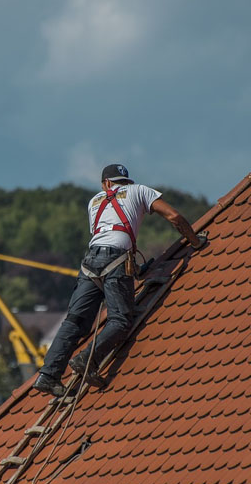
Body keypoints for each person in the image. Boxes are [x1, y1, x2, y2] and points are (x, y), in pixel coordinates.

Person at [33, 164, 207, 397]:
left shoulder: (94, 202)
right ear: (123, 182)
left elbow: (107, 235)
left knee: (74, 321)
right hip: (115, 259)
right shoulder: (139, 190)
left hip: (90, 263)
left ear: (105, 183)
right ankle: (87, 360)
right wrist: (195, 241)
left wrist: (132, 270)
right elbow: (174, 216)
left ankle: (48, 375)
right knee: (121, 320)